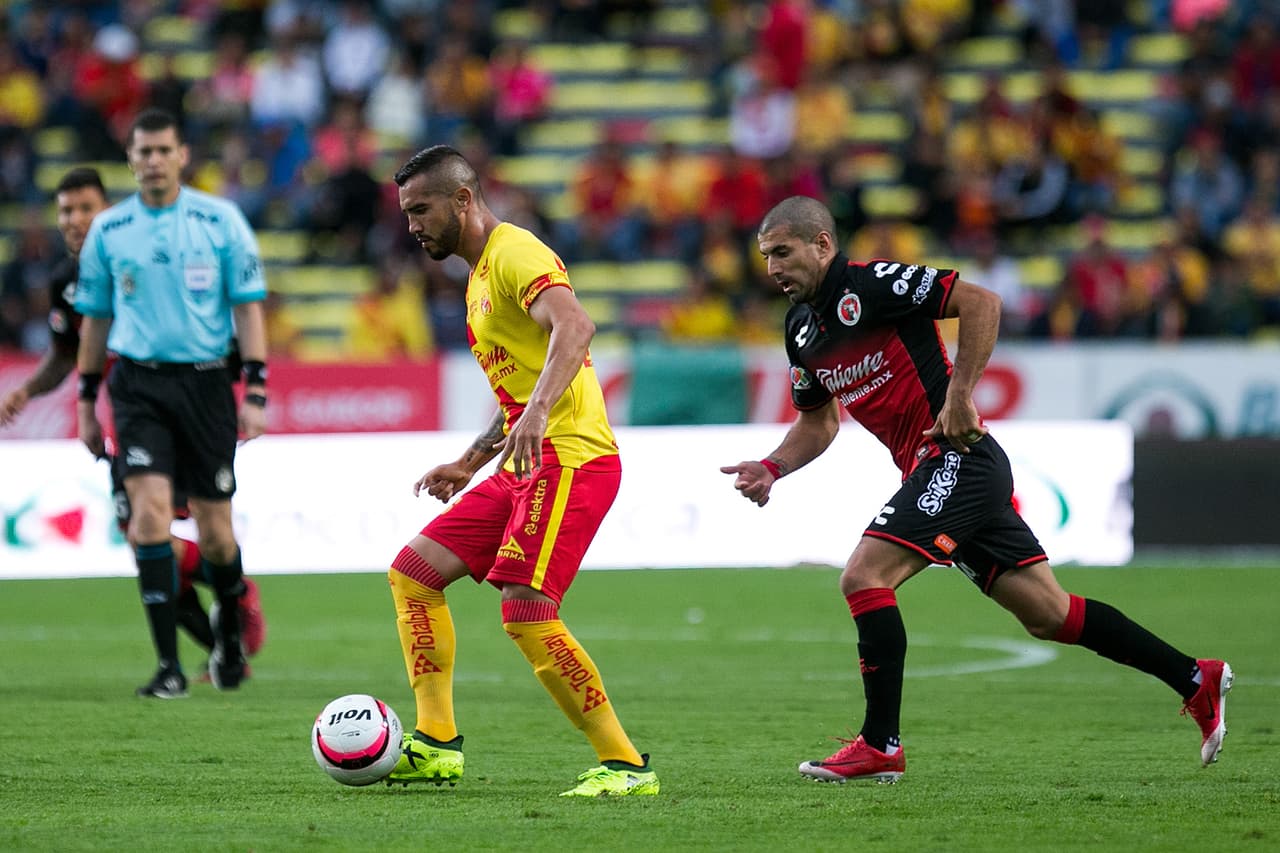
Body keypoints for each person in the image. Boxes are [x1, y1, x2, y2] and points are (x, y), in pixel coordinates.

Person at [720, 195, 1233, 783]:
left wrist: (961, 394)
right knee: (1050, 614)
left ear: (822, 245)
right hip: (935, 471)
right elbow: (820, 420)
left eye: (782, 252)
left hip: (958, 456)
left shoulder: (875, 283)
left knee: (864, 575)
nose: (772, 270)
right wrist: (772, 467)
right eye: (765, 257)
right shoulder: (801, 330)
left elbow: (981, 301)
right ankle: (1197, 678)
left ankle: (880, 744)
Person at [384, 145, 659, 797]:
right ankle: (436, 741)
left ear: (463, 200)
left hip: (573, 454)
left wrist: (536, 414)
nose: (413, 224)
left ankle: (625, 764)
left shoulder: (514, 252)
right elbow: (519, 393)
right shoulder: (479, 276)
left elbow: (577, 324)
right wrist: (470, 461)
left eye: (422, 209)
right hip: (527, 460)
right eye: (406, 213)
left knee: (527, 607)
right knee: (414, 573)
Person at [0, 166, 267, 689]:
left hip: (192, 403)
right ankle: (193, 659)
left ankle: (233, 597)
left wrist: (240, 385)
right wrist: (31, 393)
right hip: (134, 410)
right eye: (65, 211)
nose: (75, 221)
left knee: (210, 533)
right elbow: (68, 355)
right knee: (143, 531)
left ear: (110, 214)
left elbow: (204, 319)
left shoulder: (141, 255)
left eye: (85, 209)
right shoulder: (65, 282)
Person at [73, 109, 269, 698]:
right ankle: (169, 668)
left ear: (182, 154)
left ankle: (229, 638)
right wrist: (86, 401)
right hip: (137, 386)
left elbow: (248, 308)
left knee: (215, 535)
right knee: (149, 519)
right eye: (143, 151)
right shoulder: (109, 231)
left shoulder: (221, 220)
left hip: (207, 385)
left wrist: (254, 391)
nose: (153, 160)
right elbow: (95, 320)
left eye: (163, 150)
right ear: (130, 159)